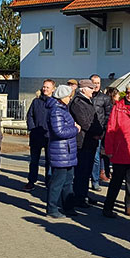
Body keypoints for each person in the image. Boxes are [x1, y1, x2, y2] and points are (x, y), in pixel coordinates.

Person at [102, 82, 130, 218]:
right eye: (127, 92)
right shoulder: (118, 107)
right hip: (120, 149)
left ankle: (128, 205)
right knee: (116, 181)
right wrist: (109, 150)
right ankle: (108, 207)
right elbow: (110, 129)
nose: (129, 95)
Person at [46, 85, 80, 218]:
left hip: (67, 151)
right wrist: (76, 129)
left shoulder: (63, 109)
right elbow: (59, 131)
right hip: (60, 152)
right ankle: (52, 209)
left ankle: (68, 207)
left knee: (67, 181)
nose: (70, 98)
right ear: (61, 97)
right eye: (68, 96)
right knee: (57, 182)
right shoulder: (56, 111)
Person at [69, 79, 103, 207]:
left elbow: (94, 120)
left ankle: (84, 194)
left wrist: (100, 131)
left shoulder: (87, 101)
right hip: (83, 142)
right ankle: (79, 198)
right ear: (83, 89)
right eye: (91, 88)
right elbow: (85, 122)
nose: (93, 90)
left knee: (87, 171)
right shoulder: (78, 103)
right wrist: (97, 132)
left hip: (90, 141)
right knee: (81, 172)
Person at [25, 79, 55, 191]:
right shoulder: (36, 101)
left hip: (49, 137)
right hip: (36, 135)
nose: (45, 89)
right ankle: (31, 181)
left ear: (53, 89)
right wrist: (33, 128)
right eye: (44, 87)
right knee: (34, 160)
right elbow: (30, 116)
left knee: (49, 161)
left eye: (47, 87)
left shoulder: (54, 103)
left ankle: (49, 182)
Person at [90, 74, 113, 190]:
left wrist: (102, 132)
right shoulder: (85, 96)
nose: (96, 85)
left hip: (98, 133)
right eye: (94, 82)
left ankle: (95, 181)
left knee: (96, 158)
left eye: (98, 83)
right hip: (85, 133)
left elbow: (108, 116)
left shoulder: (105, 98)